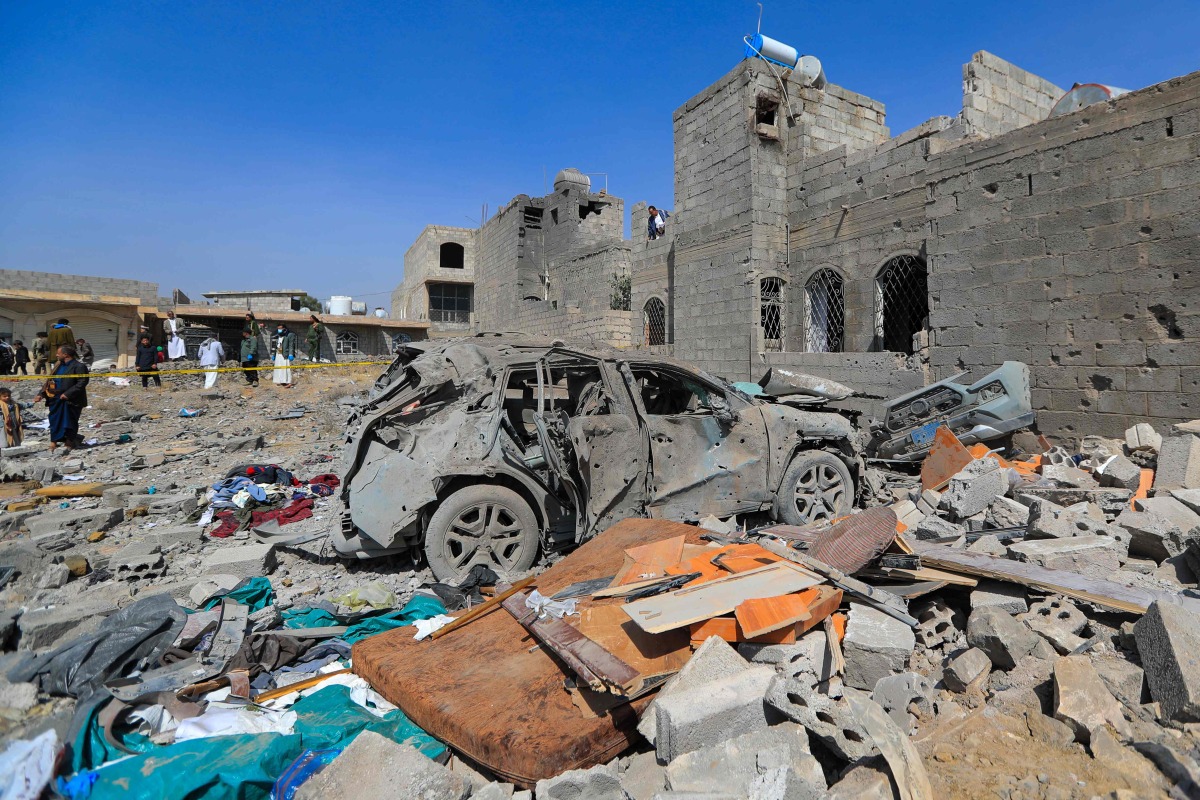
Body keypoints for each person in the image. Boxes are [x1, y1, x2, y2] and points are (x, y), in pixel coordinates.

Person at [35, 345, 89, 451]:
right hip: (55, 398)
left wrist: (68, 394)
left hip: (71, 400)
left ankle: (69, 442)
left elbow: (82, 382)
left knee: (70, 421)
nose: (56, 355)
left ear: (65, 355)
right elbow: (49, 381)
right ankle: (53, 442)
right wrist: (41, 394)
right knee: (55, 421)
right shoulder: (58, 365)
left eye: (58, 353)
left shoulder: (79, 366)